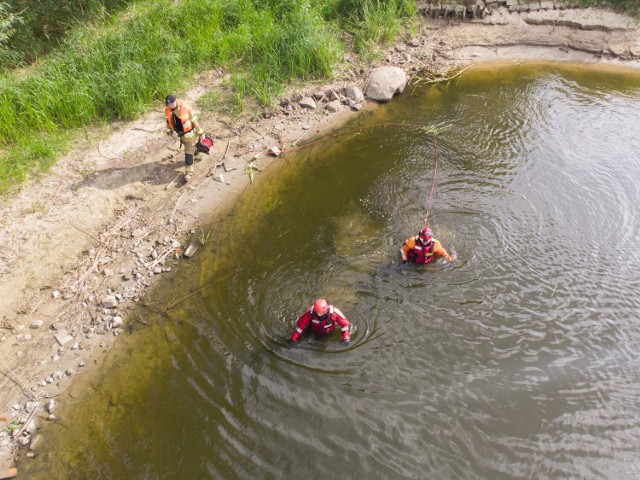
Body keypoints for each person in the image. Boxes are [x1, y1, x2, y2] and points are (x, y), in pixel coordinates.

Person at [165, 94, 206, 182]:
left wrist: (201, 132)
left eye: (172, 103)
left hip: (190, 133)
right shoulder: (168, 110)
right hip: (181, 134)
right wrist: (169, 134)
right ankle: (198, 154)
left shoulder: (186, 107)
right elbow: (168, 122)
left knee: (188, 152)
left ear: (175, 101)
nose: (170, 106)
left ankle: (189, 172)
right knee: (190, 147)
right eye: (169, 104)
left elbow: (194, 120)